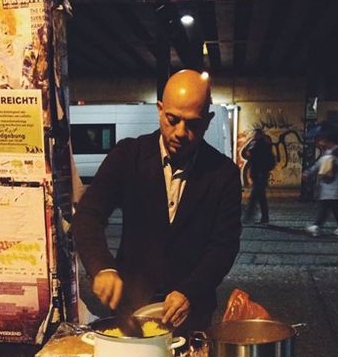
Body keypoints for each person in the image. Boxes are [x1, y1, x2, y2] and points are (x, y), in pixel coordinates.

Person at [72, 69, 242, 336]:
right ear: (160, 110)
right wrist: (102, 267)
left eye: (193, 124)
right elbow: (88, 216)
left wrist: (190, 291)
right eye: (172, 120)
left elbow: (224, 245)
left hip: (192, 311)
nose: (180, 133)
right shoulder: (128, 156)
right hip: (131, 308)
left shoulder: (224, 174)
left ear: (208, 121)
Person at [303, 122, 338, 237]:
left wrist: (334, 160)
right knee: (334, 207)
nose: (320, 141)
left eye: (323, 139)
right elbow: (319, 164)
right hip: (326, 184)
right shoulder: (326, 152)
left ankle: (317, 226)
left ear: (329, 140)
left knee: (326, 205)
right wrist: (308, 172)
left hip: (334, 183)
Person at [242, 128, 275, 225]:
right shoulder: (256, 144)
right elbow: (244, 154)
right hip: (258, 174)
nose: (253, 136)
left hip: (260, 174)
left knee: (255, 197)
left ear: (260, 135)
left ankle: (249, 217)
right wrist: (250, 142)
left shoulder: (261, 145)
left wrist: (250, 143)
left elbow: (249, 155)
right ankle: (263, 218)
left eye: (255, 134)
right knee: (260, 197)